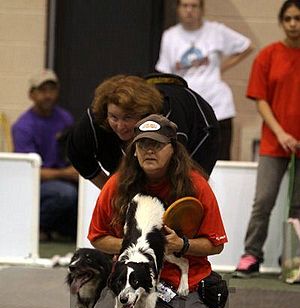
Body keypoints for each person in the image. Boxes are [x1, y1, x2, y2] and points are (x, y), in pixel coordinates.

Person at [87, 114, 227, 308]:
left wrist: (180, 245)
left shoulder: (196, 186)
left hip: (180, 282)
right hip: (130, 278)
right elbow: (97, 238)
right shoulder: (117, 185)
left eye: (157, 145)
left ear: (173, 149)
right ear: (134, 150)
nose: (149, 151)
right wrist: (138, 246)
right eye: (142, 145)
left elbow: (216, 244)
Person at [235, 0, 300, 277]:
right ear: (281, 22)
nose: (293, 24)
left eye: (298, 18)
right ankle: (251, 255)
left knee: (298, 207)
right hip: (275, 143)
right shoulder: (268, 56)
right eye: (288, 19)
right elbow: (261, 101)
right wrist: (282, 133)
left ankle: (293, 261)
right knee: (263, 201)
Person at [67, 72, 220, 188]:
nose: (120, 126)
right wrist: (109, 190)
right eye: (114, 117)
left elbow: (168, 177)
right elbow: (77, 154)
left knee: (182, 192)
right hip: (127, 141)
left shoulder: (168, 123)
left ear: (145, 115)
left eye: (127, 118)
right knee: (124, 193)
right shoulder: (95, 118)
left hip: (202, 132)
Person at [155, 0, 254, 160]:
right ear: (178, 8)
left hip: (218, 105)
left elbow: (246, 46)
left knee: (219, 159)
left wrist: (221, 68)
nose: (189, 11)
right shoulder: (170, 36)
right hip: (187, 105)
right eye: (185, 6)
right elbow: (165, 71)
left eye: (194, 6)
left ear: (201, 9)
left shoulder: (216, 31)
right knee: (184, 158)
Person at [12, 69, 78, 241]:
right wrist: (67, 174)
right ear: (31, 94)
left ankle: (55, 229)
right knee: (66, 194)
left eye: (52, 90)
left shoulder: (65, 118)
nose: (48, 95)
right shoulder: (23, 127)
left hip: (64, 178)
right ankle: (29, 228)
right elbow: (29, 171)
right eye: (42, 91)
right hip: (37, 183)